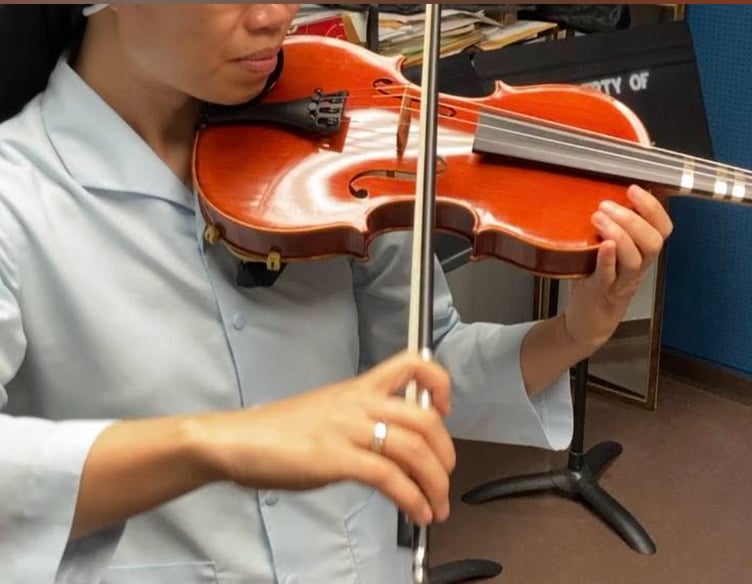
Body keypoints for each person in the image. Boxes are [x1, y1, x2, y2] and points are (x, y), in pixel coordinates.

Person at [0, 4, 673, 584]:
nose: (276, 15)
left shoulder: (337, 143)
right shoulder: (17, 196)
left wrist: (575, 333)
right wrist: (215, 444)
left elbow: (422, 371)